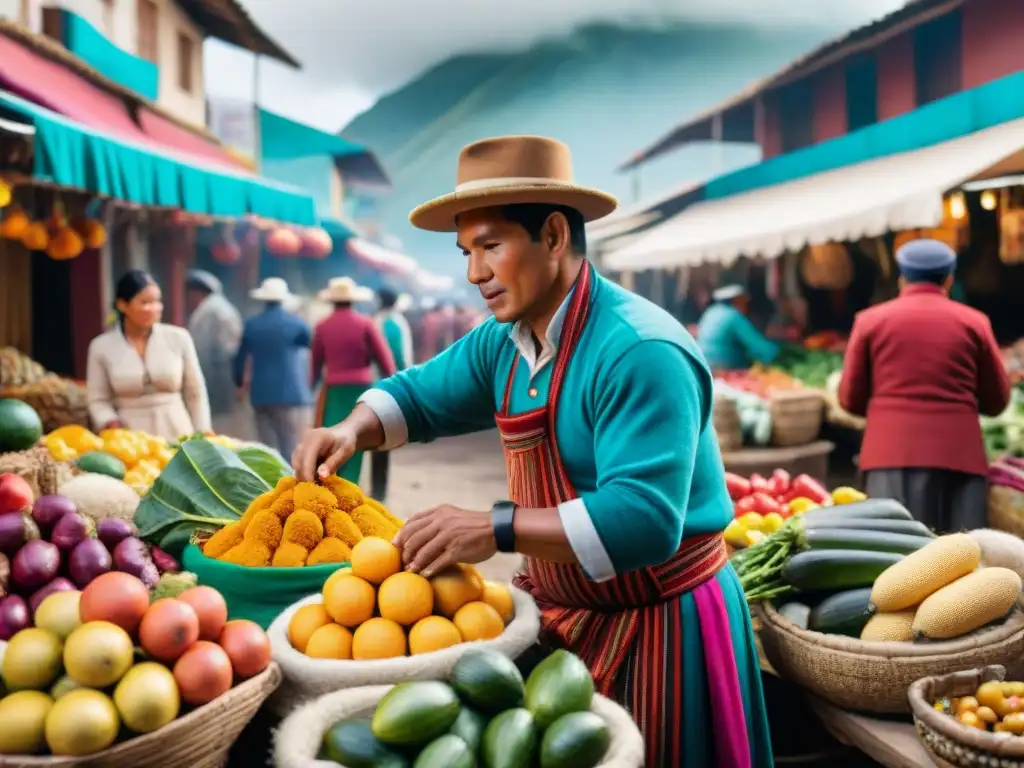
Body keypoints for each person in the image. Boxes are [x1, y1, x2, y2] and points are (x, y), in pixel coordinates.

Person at [292, 136, 771, 767]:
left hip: (665, 624)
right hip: (571, 615)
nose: (474, 274)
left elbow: (643, 520)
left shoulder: (640, 351)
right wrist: (352, 428)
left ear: (551, 235)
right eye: (467, 252)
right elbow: (419, 395)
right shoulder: (507, 340)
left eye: (491, 246)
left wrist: (496, 527)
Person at [839, 239, 1010, 532]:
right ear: (949, 279)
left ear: (902, 278)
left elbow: (850, 399)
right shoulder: (974, 322)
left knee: (895, 561)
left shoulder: (870, 321)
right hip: (960, 460)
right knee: (962, 561)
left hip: (888, 456)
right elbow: (997, 401)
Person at [87, 270, 211, 440]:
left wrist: (203, 430)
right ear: (123, 305)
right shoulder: (101, 347)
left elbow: (195, 392)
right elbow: (97, 399)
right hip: (129, 438)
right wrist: (110, 422)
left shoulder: (179, 338)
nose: (154, 309)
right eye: (145, 302)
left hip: (178, 430)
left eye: (157, 301)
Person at [311, 277, 397, 486]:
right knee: (356, 437)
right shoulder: (365, 323)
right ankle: (350, 485)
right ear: (353, 301)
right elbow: (385, 358)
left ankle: (333, 485)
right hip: (361, 390)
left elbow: (315, 362)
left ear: (332, 301)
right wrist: (390, 380)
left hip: (334, 390)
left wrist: (312, 385)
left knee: (333, 438)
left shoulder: (322, 327)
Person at [233, 277, 313, 460]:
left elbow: (239, 359)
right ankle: (291, 485)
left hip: (261, 394)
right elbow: (310, 346)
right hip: (292, 394)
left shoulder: (252, 324)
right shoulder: (297, 324)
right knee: (291, 446)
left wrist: (239, 381)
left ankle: (272, 485)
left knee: (267, 450)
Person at [185, 270, 243, 434]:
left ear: (199, 292)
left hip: (216, 373)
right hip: (219, 371)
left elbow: (206, 346)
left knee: (217, 420)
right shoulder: (218, 307)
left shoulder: (211, 310)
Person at [370, 289, 414, 501]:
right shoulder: (397, 323)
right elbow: (401, 356)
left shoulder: (374, 321)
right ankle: (379, 491)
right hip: (390, 384)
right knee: (382, 439)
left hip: (369, 383)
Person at [696, 284, 780, 370]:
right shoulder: (733, 316)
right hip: (723, 367)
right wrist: (778, 352)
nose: (746, 305)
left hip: (703, 364)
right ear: (736, 300)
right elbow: (758, 347)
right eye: (744, 301)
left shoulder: (710, 312)